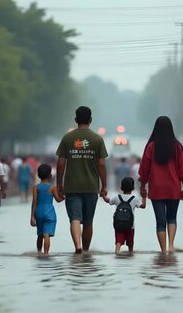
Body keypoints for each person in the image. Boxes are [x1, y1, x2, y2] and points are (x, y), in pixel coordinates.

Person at [56, 106, 109, 254]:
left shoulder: (67, 138)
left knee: (75, 218)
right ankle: (85, 251)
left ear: (75, 120)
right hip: (91, 187)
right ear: (90, 120)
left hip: (71, 187)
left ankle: (77, 247)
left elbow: (60, 163)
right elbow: (102, 164)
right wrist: (104, 186)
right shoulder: (97, 139)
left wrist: (59, 185)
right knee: (88, 222)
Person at [139, 116, 183, 254]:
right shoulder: (177, 146)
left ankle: (163, 250)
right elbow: (182, 169)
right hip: (173, 188)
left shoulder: (151, 147)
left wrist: (143, 186)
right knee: (172, 218)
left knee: (160, 222)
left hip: (156, 189)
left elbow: (144, 169)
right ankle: (171, 246)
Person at [30, 164, 63, 255]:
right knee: (46, 234)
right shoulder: (52, 187)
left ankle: (39, 252)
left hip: (38, 212)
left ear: (38, 175)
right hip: (49, 213)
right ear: (50, 176)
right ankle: (46, 254)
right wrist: (64, 197)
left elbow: (34, 202)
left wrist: (32, 216)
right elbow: (58, 199)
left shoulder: (35, 187)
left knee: (40, 234)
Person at [108, 177, 146, 255]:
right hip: (130, 226)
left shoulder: (117, 198)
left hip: (119, 225)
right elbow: (143, 206)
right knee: (130, 244)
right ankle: (130, 253)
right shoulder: (134, 199)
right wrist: (144, 197)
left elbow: (109, 202)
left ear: (121, 187)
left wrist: (104, 196)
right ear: (133, 188)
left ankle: (117, 252)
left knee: (118, 241)